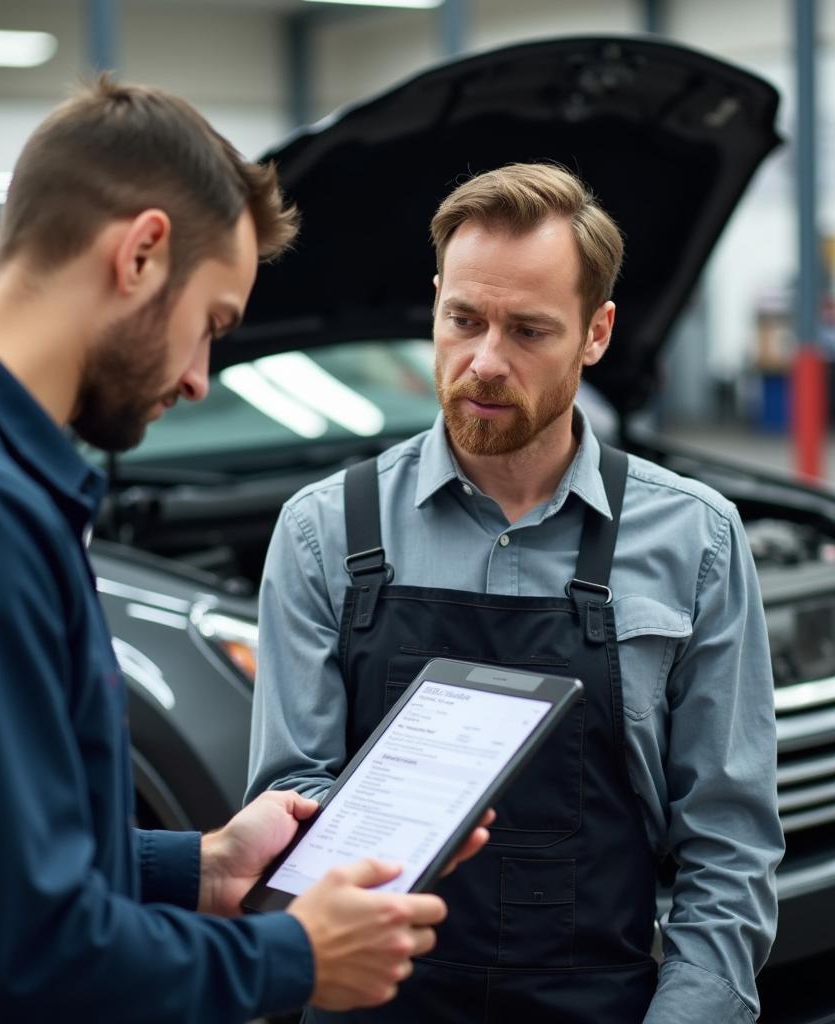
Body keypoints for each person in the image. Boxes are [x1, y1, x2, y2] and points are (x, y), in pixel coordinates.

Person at [0, 77, 492, 1024]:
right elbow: (28, 959)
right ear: (140, 254)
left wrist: (204, 865)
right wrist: (292, 958)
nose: (202, 379)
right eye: (211, 324)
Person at [247, 162, 785, 1023]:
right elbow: (290, 806)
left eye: (530, 331)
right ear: (435, 302)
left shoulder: (698, 541)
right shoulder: (325, 531)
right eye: (463, 319)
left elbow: (726, 847)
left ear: (597, 332)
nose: (484, 362)